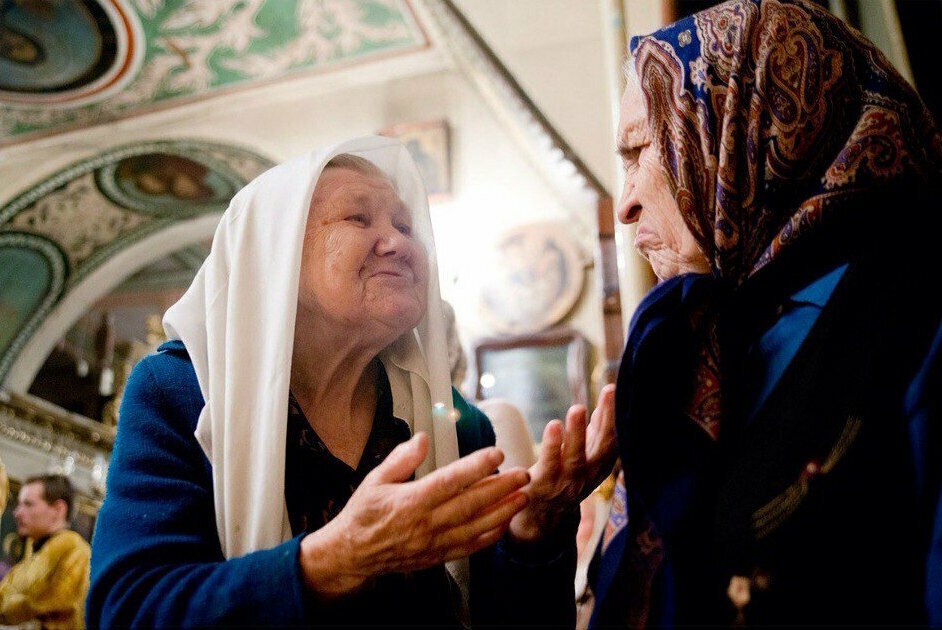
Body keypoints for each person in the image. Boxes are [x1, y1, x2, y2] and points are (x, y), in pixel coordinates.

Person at [87, 136, 617, 627]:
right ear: (276, 258)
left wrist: (534, 533)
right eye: (358, 218)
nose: (398, 242)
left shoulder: (456, 424)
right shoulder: (182, 391)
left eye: (406, 226)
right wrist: (335, 558)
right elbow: (125, 609)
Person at [589, 0, 942, 625]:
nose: (625, 206)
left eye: (641, 150)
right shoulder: (702, 341)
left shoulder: (918, 314)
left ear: (753, 128)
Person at [0, 475, 90, 629]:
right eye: (19, 504)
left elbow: (51, 605)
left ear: (58, 509)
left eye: (28, 504)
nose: (17, 513)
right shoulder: (36, 555)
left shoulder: (73, 549)